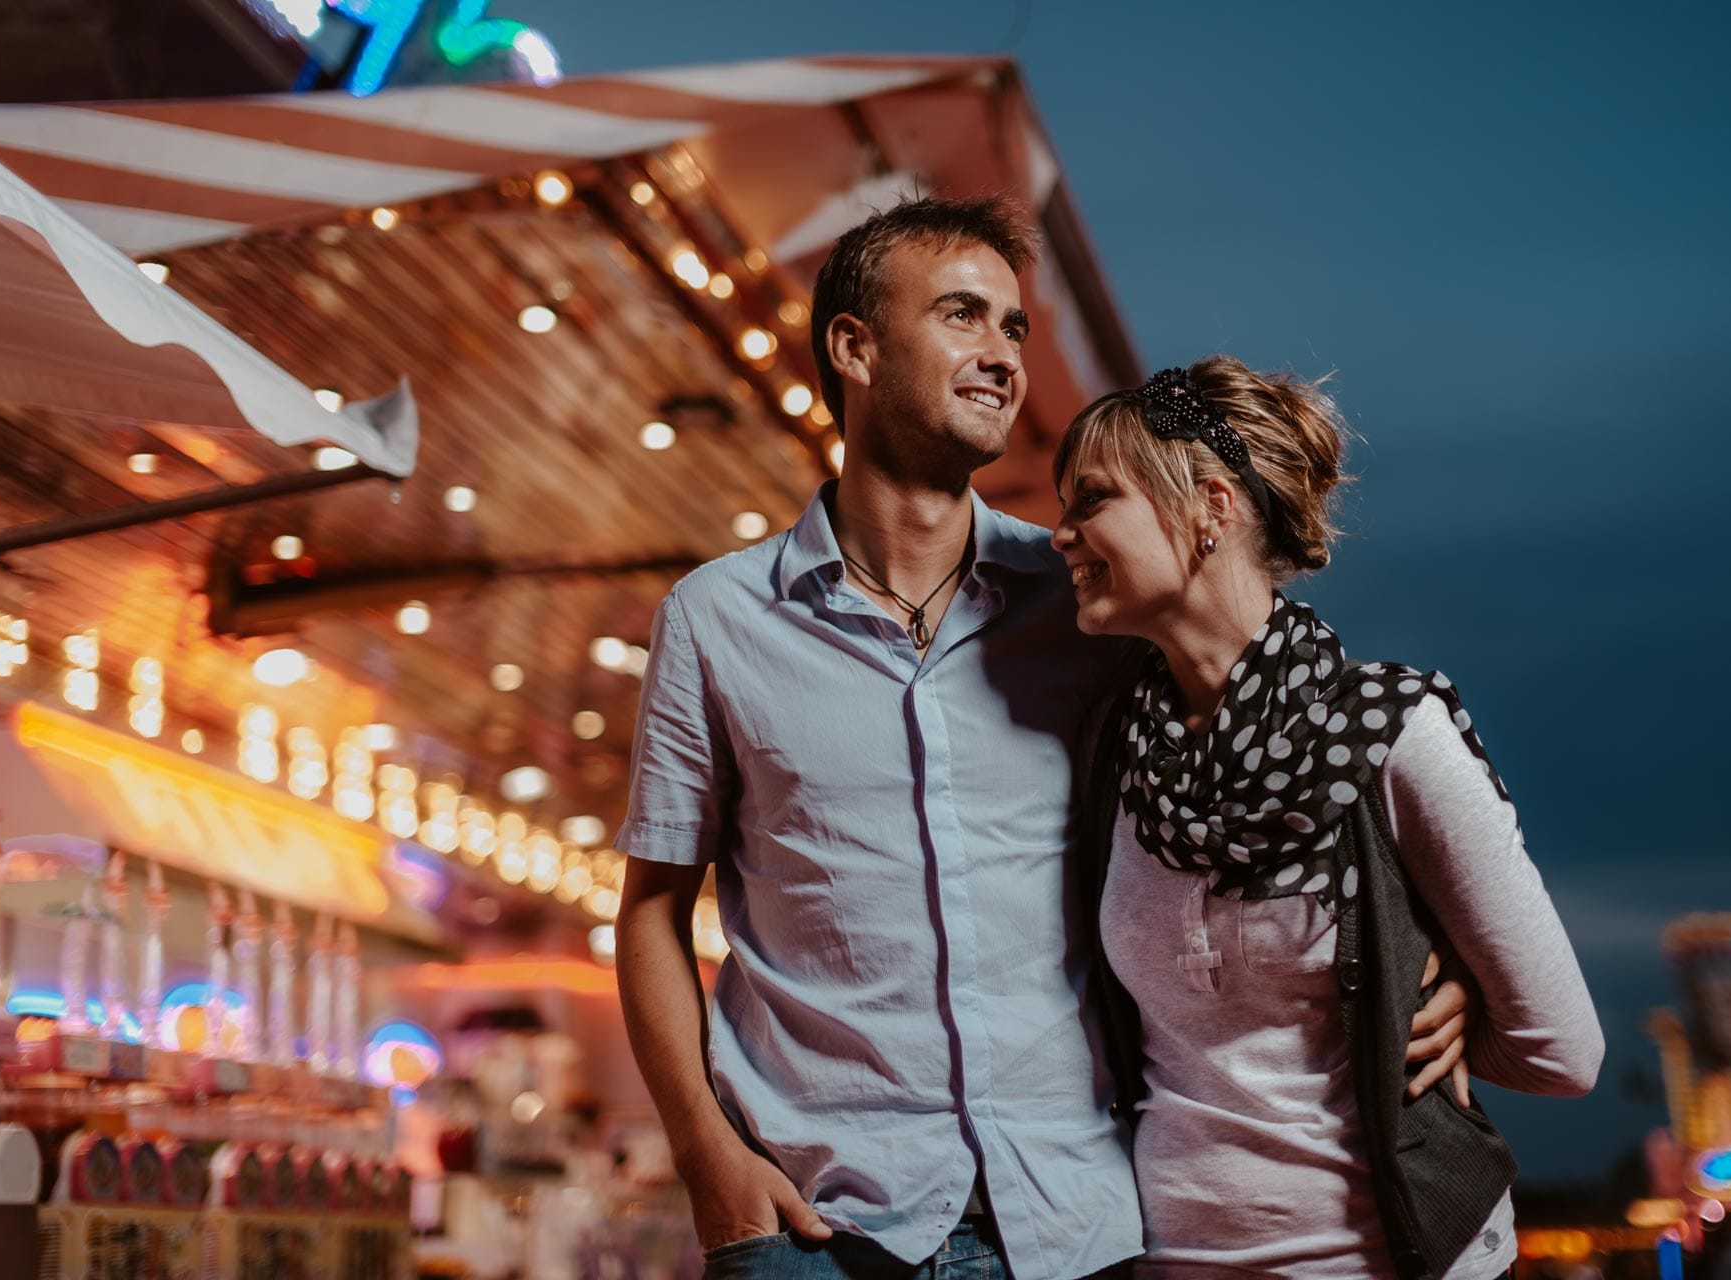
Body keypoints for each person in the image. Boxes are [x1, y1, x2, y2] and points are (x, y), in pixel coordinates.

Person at [612, 198, 1474, 1280]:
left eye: (1014, 328)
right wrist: (704, 1154)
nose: (1001, 355)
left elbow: (1273, 755)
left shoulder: (1086, 608)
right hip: (812, 1220)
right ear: (854, 346)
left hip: (1075, 1219)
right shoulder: (717, 616)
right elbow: (649, 909)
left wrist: (1432, 943)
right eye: (964, 316)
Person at [1051, 358, 1605, 1280]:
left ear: (1211, 509)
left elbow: (1564, 1052)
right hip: (1171, 1262)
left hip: (1387, 1259)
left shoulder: (1390, 733)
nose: (1061, 534)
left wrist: (1429, 1011)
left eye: (1092, 501)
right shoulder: (1116, 747)